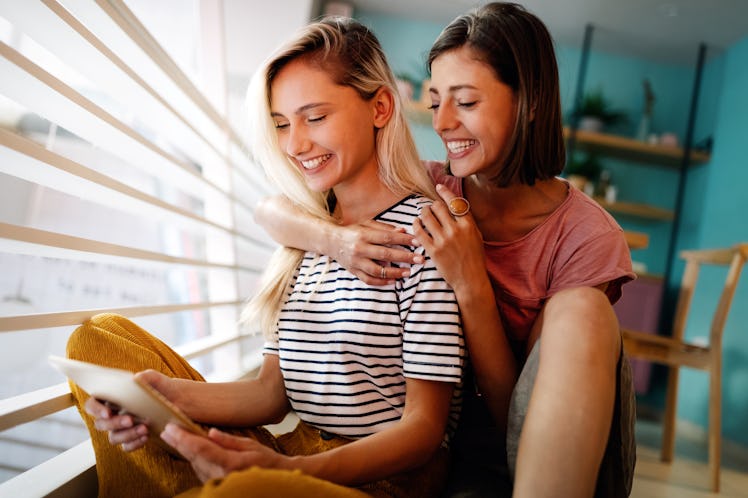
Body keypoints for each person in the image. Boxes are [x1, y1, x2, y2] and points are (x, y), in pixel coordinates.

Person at [66, 16, 465, 498]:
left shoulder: (424, 232)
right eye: (281, 124)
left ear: (379, 107)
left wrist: (290, 474)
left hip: (382, 478)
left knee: (236, 490)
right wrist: (163, 400)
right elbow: (270, 394)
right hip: (294, 451)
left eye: (315, 117)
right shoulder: (312, 234)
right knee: (95, 341)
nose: (295, 144)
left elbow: (424, 431)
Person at [254, 3, 637, 498]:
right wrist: (340, 242)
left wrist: (470, 281)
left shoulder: (585, 236)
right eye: (436, 103)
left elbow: (512, 418)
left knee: (584, 308)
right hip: (436, 424)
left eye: (467, 102)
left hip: (535, 432)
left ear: (531, 100)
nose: (443, 123)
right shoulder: (430, 188)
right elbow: (272, 210)